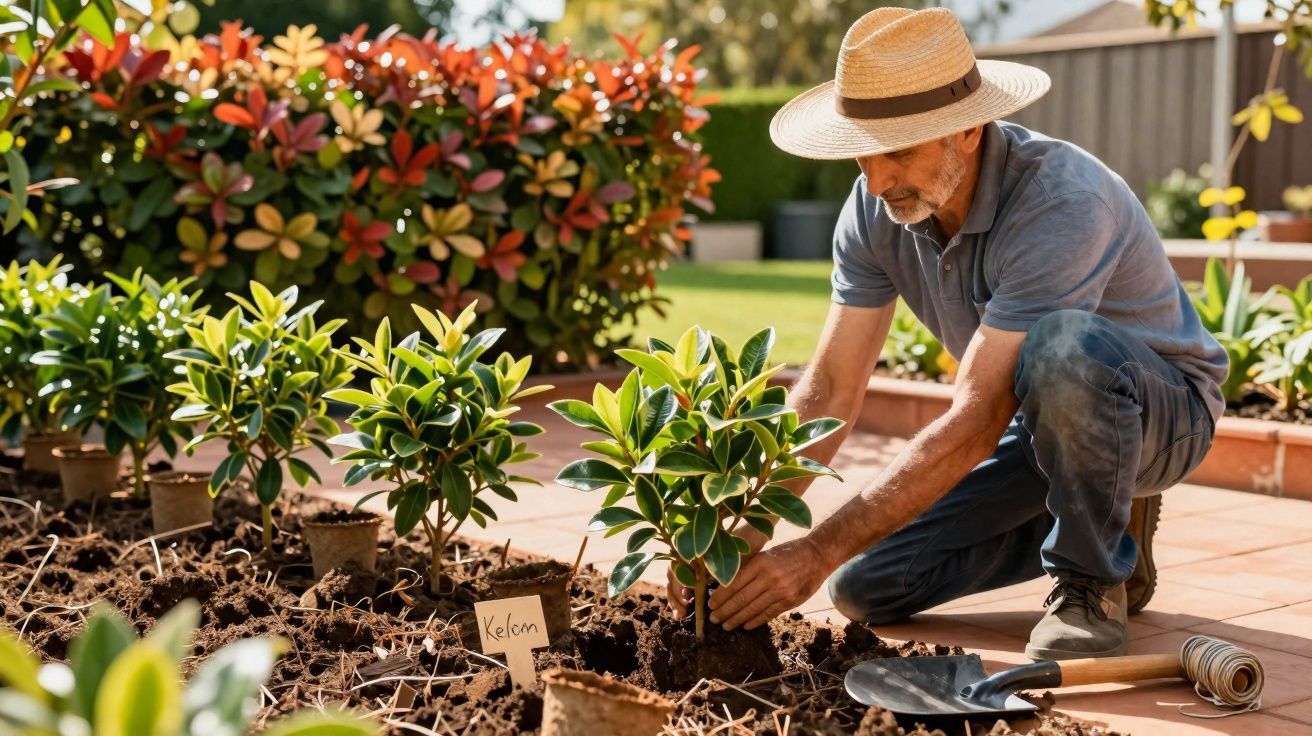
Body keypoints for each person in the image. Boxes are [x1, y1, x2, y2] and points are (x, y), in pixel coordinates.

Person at [668, 6, 1227, 661]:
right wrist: (741, 524)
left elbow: (976, 417)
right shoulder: (875, 207)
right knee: (864, 585)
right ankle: (1111, 523)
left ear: (967, 129)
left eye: (899, 152)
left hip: (1159, 412)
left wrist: (815, 549)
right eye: (862, 154)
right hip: (1037, 422)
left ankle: (1092, 583)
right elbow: (831, 388)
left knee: (1063, 348)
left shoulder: (1062, 202)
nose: (876, 182)